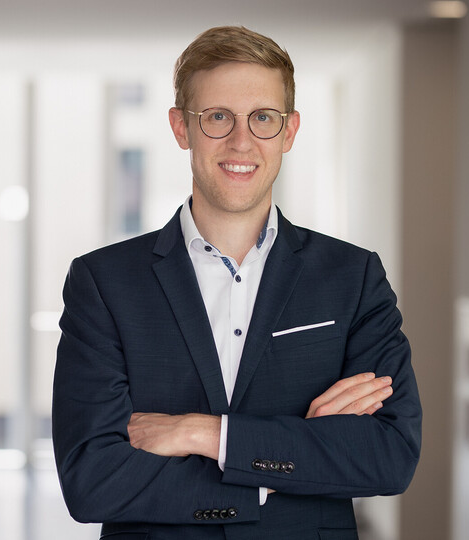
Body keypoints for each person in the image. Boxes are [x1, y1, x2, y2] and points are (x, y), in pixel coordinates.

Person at [52, 26, 422, 540]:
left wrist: (203, 434)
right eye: (217, 117)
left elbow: (388, 456)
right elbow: (92, 481)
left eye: (263, 118)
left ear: (289, 132)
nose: (241, 141)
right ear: (181, 128)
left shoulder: (352, 277)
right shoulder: (104, 283)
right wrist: (290, 461)